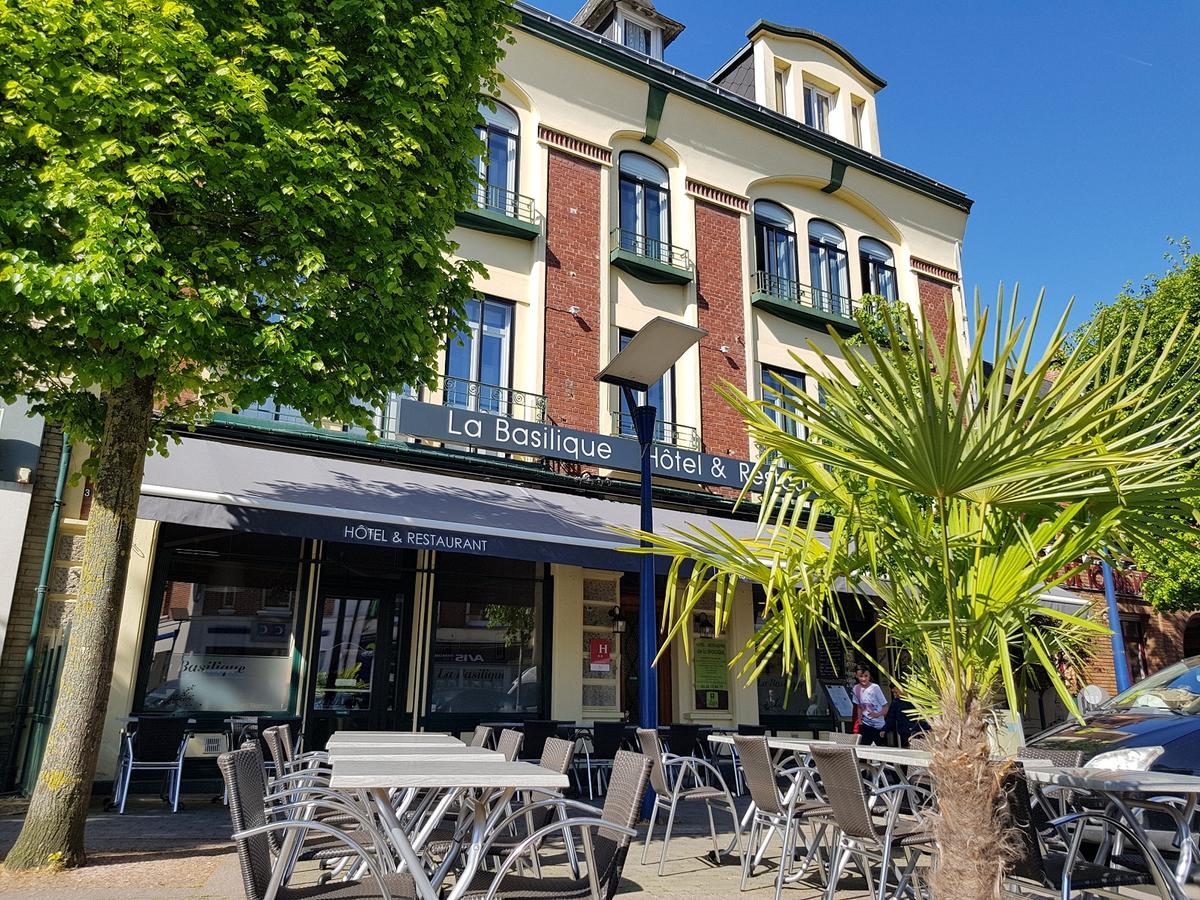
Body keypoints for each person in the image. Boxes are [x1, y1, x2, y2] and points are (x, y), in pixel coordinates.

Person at [852, 665, 889, 746]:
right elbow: (858, 707)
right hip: (865, 724)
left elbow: (885, 707)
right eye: (861, 676)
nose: (864, 679)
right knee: (863, 749)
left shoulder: (875, 688)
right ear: (856, 675)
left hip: (878, 726)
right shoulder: (856, 689)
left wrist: (877, 714)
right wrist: (860, 722)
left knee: (879, 751)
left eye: (866, 676)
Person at [882, 683, 926, 747]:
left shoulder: (913, 700)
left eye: (896, 692)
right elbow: (891, 717)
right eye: (893, 693)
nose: (894, 695)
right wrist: (885, 729)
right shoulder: (896, 702)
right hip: (904, 732)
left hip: (917, 730)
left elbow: (921, 715)